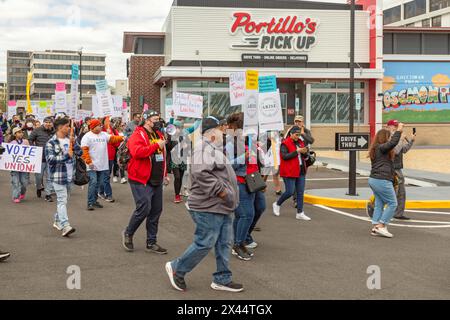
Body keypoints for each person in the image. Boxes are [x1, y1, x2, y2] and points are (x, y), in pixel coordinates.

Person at [165, 117, 243, 292]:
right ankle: (177, 268)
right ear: (211, 132)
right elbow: (202, 174)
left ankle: (222, 279)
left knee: (224, 243)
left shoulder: (212, 148)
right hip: (209, 206)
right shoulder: (203, 148)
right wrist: (222, 192)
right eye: (221, 128)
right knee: (205, 242)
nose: (224, 132)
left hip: (221, 206)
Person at [122, 110, 169, 254]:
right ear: (147, 120)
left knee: (156, 211)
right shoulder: (137, 134)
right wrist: (156, 146)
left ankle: (151, 242)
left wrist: (165, 174)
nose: (158, 122)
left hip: (156, 178)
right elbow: (137, 152)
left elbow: (163, 155)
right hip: (140, 178)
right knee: (144, 208)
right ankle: (128, 233)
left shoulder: (159, 134)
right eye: (155, 119)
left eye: (159, 119)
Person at [226, 112, 266, 261]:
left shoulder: (250, 140)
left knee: (259, 207)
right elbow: (228, 164)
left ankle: (241, 239)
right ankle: (238, 244)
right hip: (239, 181)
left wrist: (262, 153)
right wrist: (245, 156)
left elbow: (258, 161)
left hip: (253, 180)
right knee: (246, 214)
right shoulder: (231, 142)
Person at [46, 117, 80, 237]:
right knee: (62, 200)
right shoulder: (51, 142)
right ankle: (66, 225)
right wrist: (66, 156)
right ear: (60, 127)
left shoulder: (70, 139)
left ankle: (57, 220)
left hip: (70, 176)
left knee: (64, 201)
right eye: (67, 126)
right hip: (58, 177)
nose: (69, 128)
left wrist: (74, 144)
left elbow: (79, 152)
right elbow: (50, 160)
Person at [368, 124, 403, 238]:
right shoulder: (381, 148)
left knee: (379, 204)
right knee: (393, 203)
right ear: (384, 138)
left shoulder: (375, 148)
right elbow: (392, 143)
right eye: (388, 137)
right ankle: (381, 225)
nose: (389, 139)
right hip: (381, 180)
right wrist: (399, 131)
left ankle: (375, 226)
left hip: (374, 179)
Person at [81, 119, 124, 210]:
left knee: (99, 183)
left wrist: (122, 137)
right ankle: (90, 203)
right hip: (92, 165)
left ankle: (94, 201)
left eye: (100, 125)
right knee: (93, 182)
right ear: (93, 127)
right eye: (98, 125)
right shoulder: (87, 136)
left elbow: (113, 139)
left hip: (102, 164)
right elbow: (84, 151)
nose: (100, 126)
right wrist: (89, 162)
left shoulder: (103, 134)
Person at [272, 126, 311, 221]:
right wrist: (297, 151)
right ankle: (277, 204)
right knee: (289, 192)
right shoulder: (285, 143)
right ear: (291, 134)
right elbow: (284, 156)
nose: (298, 136)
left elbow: (304, 155)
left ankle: (300, 212)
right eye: (296, 135)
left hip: (301, 170)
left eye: (299, 135)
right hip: (289, 171)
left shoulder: (301, 142)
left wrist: (306, 152)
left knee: (300, 192)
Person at [388, 120, 415, 220]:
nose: (396, 128)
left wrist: (411, 140)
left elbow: (404, 150)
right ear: (389, 127)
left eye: (397, 126)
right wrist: (401, 139)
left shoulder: (398, 138)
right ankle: (376, 208)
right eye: (394, 126)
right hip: (390, 169)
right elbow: (395, 151)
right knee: (391, 192)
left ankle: (398, 213)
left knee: (401, 192)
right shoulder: (388, 137)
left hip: (398, 169)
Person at [28, 116, 55, 201]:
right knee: (38, 177)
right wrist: (34, 149)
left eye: (50, 122)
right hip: (40, 158)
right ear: (43, 123)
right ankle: (39, 187)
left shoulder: (54, 131)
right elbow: (30, 139)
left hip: (51, 158)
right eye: (46, 122)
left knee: (50, 177)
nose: (48, 124)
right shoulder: (37, 130)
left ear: (52, 123)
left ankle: (48, 194)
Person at [98, 117, 122, 199]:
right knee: (103, 176)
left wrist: (111, 136)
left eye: (109, 121)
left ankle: (102, 192)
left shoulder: (113, 131)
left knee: (107, 176)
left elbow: (117, 143)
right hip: (101, 156)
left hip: (110, 156)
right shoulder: (99, 131)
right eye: (107, 121)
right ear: (103, 122)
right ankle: (107, 194)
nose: (108, 122)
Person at [9, 128, 30, 203]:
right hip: (14, 167)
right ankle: (15, 196)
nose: (21, 134)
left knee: (24, 182)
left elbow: (30, 153)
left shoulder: (26, 141)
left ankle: (22, 193)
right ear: (15, 134)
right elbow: (8, 154)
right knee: (15, 182)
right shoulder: (12, 143)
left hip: (24, 167)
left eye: (21, 132)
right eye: (18, 132)